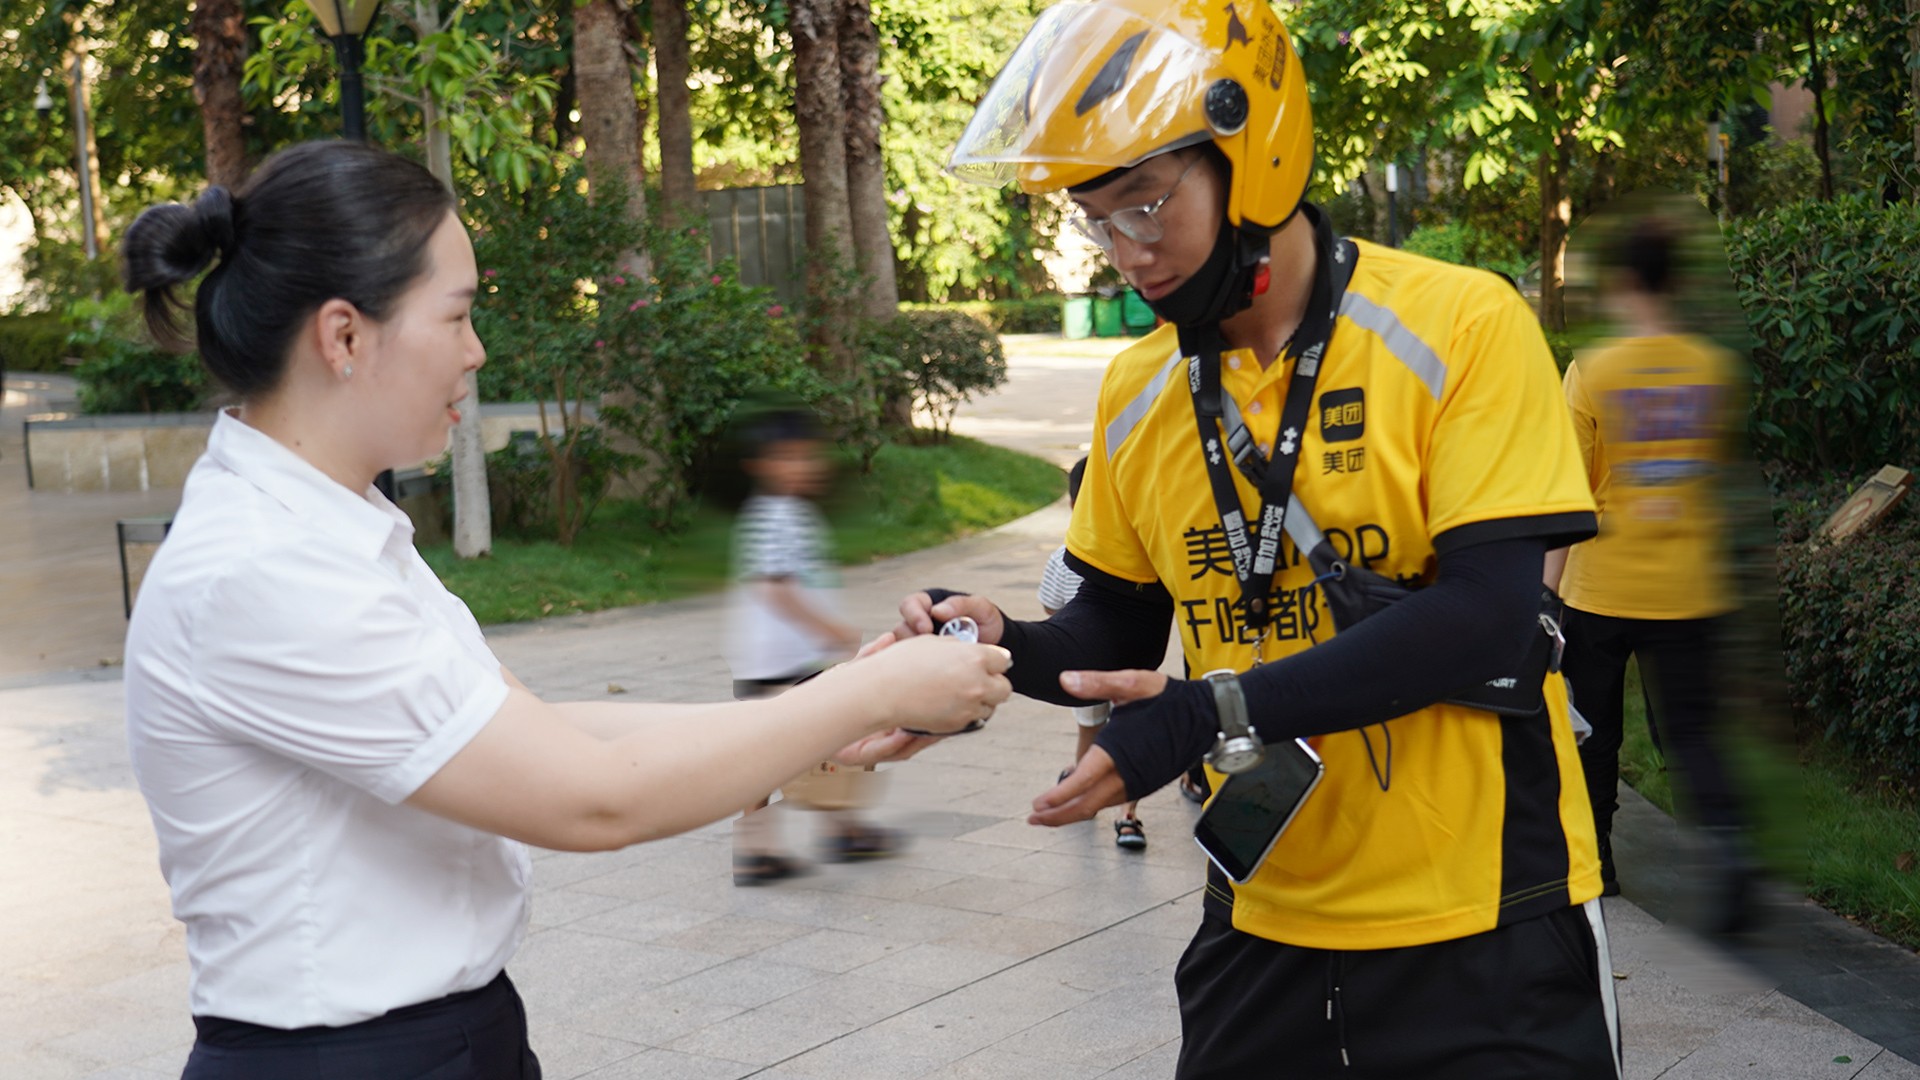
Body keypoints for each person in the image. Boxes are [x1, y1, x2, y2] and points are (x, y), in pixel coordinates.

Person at [118, 140, 1009, 1080]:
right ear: (344, 336)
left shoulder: (330, 527)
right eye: (456, 315)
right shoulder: (264, 570)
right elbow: (595, 798)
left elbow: (535, 731)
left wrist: (821, 716)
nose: (476, 351)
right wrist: (861, 700)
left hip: (439, 1038)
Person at [897, 1, 1618, 1076]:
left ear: (1256, 154)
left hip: (1486, 919)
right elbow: (1115, 628)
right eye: (1097, 222)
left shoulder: (1461, 325)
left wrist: (1209, 712)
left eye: (1145, 205)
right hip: (1261, 915)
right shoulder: (1140, 389)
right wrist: (997, 640)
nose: (1126, 253)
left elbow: (1485, 617)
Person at [1544, 216, 1753, 923]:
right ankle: (1729, 860)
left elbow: (1567, 498)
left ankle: (1596, 866)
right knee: (1692, 731)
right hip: (1689, 584)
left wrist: (1543, 597)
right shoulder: (1713, 369)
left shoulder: (1591, 371)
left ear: (1625, 282)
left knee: (1595, 731)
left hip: (1600, 588)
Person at [727, 408, 898, 883]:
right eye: (787, 458)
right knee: (830, 736)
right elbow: (774, 588)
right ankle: (835, 831)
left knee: (774, 750)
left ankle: (767, 845)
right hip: (786, 662)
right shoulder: (774, 515)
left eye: (806, 457)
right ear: (760, 465)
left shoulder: (787, 512)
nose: (801, 467)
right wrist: (830, 631)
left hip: (778, 659)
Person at [1038, 456, 1147, 849]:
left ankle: (1082, 792)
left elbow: (1050, 608)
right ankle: (1128, 817)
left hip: (1084, 668)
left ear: (1073, 506)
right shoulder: (1140, 556)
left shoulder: (1062, 557)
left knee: (1090, 728)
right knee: (1129, 732)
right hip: (1133, 667)